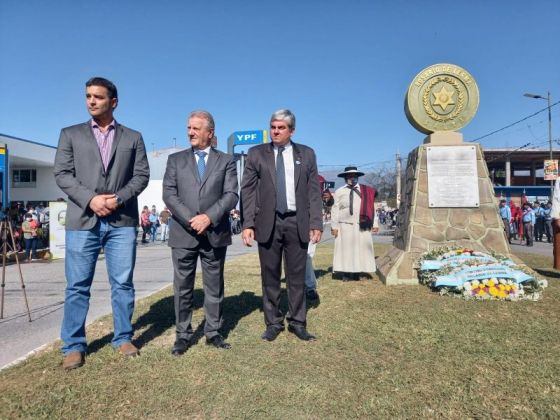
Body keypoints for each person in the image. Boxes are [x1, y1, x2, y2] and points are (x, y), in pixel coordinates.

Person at [53, 77, 150, 370]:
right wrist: (91, 199)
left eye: (98, 97)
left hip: (121, 221)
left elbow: (141, 175)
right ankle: (73, 345)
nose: (91, 101)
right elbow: (62, 174)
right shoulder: (70, 134)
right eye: (88, 96)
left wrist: (118, 198)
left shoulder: (133, 137)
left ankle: (122, 337)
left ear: (113, 102)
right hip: (83, 220)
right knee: (78, 286)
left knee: (122, 283)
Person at [241, 109, 323, 342]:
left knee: (296, 275)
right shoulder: (256, 154)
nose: (275, 131)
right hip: (268, 222)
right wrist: (248, 223)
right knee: (270, 275)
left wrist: (316, 222)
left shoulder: (306, 154)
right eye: (273, 127)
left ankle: (298, 322)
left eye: (281, 128)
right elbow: (247, 190)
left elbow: (313, 192)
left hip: (297, 221)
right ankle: (273, 322)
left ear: (292, 130)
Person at [163, 110, 238, 355]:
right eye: (188, 128)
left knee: (214, 285)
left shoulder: (226, 161)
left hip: (214, 232)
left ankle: (213, 332)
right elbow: (169, 195)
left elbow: (231, 195)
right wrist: (191, 219)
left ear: (210, 132)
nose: (190, 132)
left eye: (196, 128)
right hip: (183, 233)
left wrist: (209, 217)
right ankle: (183, 335)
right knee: (182, 287)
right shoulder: (175, 160)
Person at [331, 166, 379, 281]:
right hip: (345, 225)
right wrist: (334, 226)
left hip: (362, 225)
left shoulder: (366, 191)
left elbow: (372, 207)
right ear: (345, 178)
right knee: (346, 250)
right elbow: (335, 209)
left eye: (354, 176)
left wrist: (375, 223)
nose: (352, 178)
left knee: (361, 249)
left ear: (358, 177)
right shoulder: (339, 191)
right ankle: (346, 273)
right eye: (349, 176)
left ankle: (357, 272)